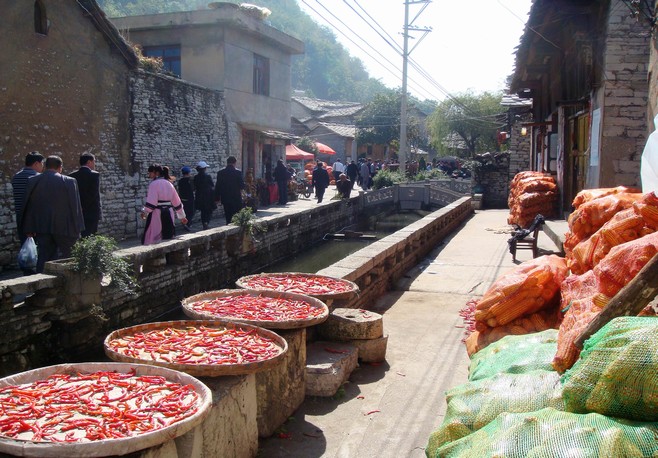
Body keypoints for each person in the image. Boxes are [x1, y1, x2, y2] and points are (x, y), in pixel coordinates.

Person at [21, 155, 85, 273]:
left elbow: (29, 205)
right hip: (65, 227)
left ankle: (42, 287)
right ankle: (70, 285)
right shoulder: (69, 181)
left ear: (45, 166)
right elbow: (75, 206)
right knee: (70, 257)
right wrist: (78, 227)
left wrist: (28, 227)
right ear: (60, 167)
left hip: (42, 227)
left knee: (44, 258)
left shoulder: (33, 181)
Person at [141, 164, 187, 245]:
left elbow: (152, 203)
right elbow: (177, 202)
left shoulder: (154, 184)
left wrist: (145, 212)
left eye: (150, 173)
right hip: (169, 212)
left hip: (157, 213)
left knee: (155, 238)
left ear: (156, 173)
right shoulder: (169, 184)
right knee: (168, 236)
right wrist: (182, 216)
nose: (149, 175)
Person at [12, 151, 44, 247]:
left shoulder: (16, 177)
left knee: (25, 246)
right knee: (38, 248)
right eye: (42, 163)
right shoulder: (38, 178)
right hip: (35, 219)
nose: (43, 166)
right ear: (36, 163)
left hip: (20, 218)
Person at [69, 152, 101, 237]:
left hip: (77, 211)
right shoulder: (94, 175)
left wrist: (79, 207)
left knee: (80, 235)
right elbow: (93, 194)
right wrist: (83, 206)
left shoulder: (72, 175)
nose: (94, 164)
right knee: (91, 235)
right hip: (91, 211)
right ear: (89, 162)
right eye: (94, 161)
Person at [215, 156, 245, 225]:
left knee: (228, 216)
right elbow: (242, 186)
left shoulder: (220, 173)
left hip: (225, 198)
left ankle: (228, 226)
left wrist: (216, 198)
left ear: (227, 163)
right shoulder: (238, 172)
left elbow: (218, 186)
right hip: (236, 198)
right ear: (235, 163)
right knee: (237, 216)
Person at [194, 161, 216, 230]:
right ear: (204, 168)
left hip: (199, 196)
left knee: (203, 211)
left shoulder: (196, 177)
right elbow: (212, 185)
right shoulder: (208, 176)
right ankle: (206, 222)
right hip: (208, 196)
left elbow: (195, 186)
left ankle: (204, 223)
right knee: (209, 210)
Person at [177, 166, 195, 231]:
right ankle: (187, 224)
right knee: (191, 212)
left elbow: (179, 190)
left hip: (183, 198)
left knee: (185, 212)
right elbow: (193, 188)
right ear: (188, 172)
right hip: (190, 198)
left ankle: (185, 223)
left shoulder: (180, 181)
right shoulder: (191, 180)